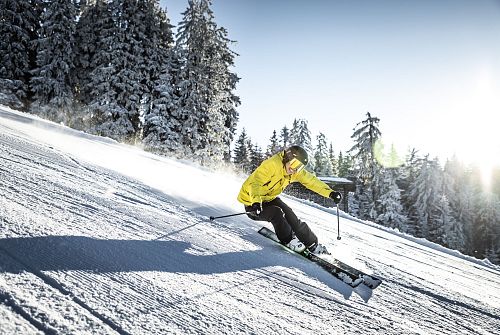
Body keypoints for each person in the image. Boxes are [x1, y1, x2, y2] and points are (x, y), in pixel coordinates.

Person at [237, 145, 342, 254]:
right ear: (287, 158)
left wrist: (330, 193)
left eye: (299, 167)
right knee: (276, 213)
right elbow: (256, 183)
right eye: (295, 164)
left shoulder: (294, 171)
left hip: (269, 199)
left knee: (289, 214)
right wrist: (255, 203)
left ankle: (312, 244)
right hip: (252, 203)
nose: (295, 169)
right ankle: (288, 240)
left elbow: (311, 181)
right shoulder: (272, 165)